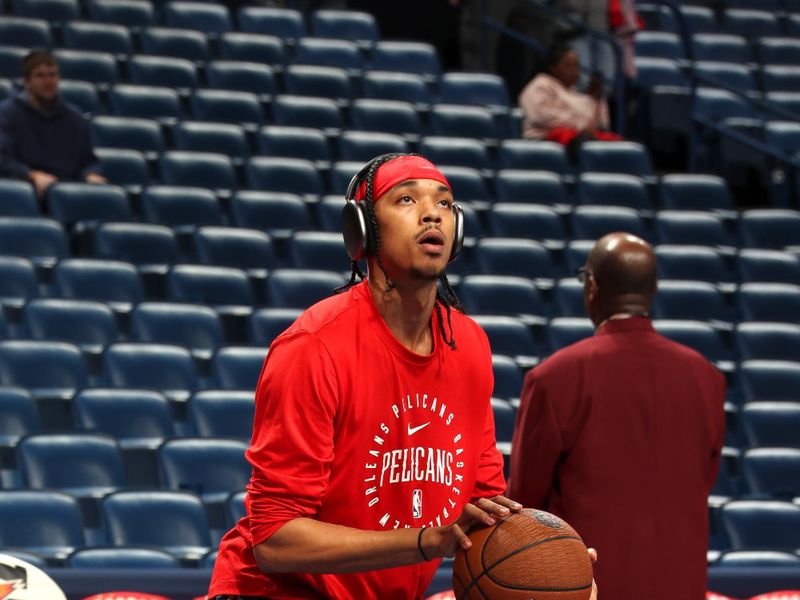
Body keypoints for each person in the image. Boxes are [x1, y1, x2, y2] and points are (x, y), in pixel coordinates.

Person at [208, 153, 568, 599]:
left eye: (444, 203)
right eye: (405, 200)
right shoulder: (314, 346)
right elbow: (274, 540)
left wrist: (554, 562)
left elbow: (482, 509)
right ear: (363, 231)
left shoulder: (470, 345)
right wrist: (424, 541)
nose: (431, 212)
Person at [509, 232, 726, 600]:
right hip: (681, 587)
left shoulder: (554, 377)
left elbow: (526, 507)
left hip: (586, 589)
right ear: (652, 290)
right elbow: (704, 477)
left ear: (591, 287)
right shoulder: (706, 376)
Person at [0, 50, 106, 198]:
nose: (48, 81)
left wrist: (90, 174)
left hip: (67, 190)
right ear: (27, 81)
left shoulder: (74, 117)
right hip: (24, 189)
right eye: (40, 76)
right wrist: (31, 174)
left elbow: (88, 160)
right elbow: (4, 159)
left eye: (52, 75)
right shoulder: (7, 113)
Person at [518, 42, 622, 152]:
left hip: (577, 139)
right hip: (545, 141)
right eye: (568, 66)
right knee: (587, 145)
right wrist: (581, 125)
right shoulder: (540, 85)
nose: (574, 71)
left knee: (626, 146)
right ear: (553, 67)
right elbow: (540, 116)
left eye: (576, 66)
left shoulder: (577, 93)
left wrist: (596, 101)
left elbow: (601, 125)